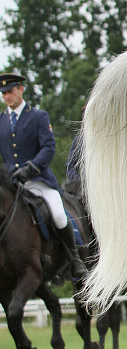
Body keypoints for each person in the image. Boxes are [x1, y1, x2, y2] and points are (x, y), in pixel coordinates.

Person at [0, 72, 86, 280]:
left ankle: (74, 260)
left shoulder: (38, 116)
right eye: (3, 93)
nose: (7, 96)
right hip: (13, 184)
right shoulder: (1, 120)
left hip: (39, 181)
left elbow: (48, 148)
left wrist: (30, 169)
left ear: (21, 89)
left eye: (10, 91)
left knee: (57, 214)